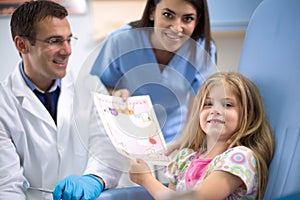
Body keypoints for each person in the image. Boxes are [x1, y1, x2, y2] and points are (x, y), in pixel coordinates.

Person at [0, 1, 125, 199]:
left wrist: (93, 178)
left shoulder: (88, 86)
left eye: (68, 40)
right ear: (21, 44)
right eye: (54, 41)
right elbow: (6, 185)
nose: (67, 50)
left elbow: (105, 146)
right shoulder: (3, 103)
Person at [128, 72, 275, 200]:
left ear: (248, 115)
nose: (215, 110)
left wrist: (146, 179)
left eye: (227, 105)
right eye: (208, 104)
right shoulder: (185, 159)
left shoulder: (240, 158)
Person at [90, 0, 217, 144]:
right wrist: (115, 95)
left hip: (176, 135)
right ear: (152, 12)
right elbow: (100, 86)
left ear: (197, 20)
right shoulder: (121, 40)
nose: (177, 28)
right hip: (127, 133)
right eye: (168, 15)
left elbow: (201, 102)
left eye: (187, 19)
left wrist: (185, 143)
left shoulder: (202, 49)